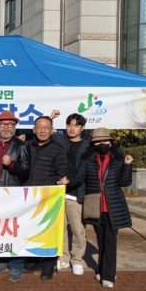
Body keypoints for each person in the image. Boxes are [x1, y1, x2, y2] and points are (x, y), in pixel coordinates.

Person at [61, 128, 133, 288]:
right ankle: (103, 268)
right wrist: (69, 181)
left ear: (111, 142)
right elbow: (79, 178)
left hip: (113, 206)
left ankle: (108, 275)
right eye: (98, 141)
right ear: (93, 144)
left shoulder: (118, 159)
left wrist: (128, 165)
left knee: (110, 240)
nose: (102, 144)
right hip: (95, 206)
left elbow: (124, 182)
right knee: (101, 239)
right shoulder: (88, 159)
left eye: (105, 141)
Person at [0, 110, 30, 283]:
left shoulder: (21, 145)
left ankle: (16, 264)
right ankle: (1, 260)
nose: (6, 127)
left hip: (13, 195)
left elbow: (26, 169)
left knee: (14, 231)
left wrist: (11, 164)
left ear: (15, 126)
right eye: (3, 124)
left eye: (10, 124)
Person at [24, 116, 67, 281]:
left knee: (48, 231)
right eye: (39, 127)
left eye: (46, 127)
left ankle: (48, 265)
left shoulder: (58, 149)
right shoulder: (27, 147)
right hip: (29, 197)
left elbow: (61, 172)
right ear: (34, 130)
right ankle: (32, 261)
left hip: (49, 197)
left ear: (52, 130)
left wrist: (60, 183)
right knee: (30, 229)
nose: (43, 131)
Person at [51, 112, 90, 276]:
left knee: (78, 230)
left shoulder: (87, 146)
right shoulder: (60, 140)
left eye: (76, 125)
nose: (72, 128)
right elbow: (45, 131)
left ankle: (77, 260)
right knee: (60, 229)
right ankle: (63, 257)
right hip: (58, 192)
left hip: (76, 193)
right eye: (69, 125)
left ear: (82, 127)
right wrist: (51, 118)